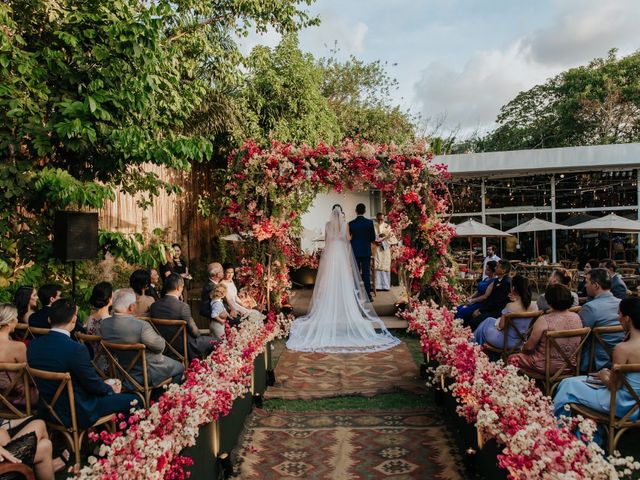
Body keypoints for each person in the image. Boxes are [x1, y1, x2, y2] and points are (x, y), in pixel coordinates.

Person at [286, 205, 399, 353]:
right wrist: (348, 240)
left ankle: (330, 300)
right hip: (343, 253)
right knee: (346, 278)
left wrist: (328, 253)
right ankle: (351, 299)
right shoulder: (346, 224)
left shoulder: (328, 225)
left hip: (332, 253)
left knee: (330, 278)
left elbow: (327, 242)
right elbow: (348, 239)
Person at [27, 298, 138, 430]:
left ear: (49, 320)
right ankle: (115, 442)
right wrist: (110, 389)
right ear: (74, 320)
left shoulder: (33, 345)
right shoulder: (75, 349)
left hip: (47, 410)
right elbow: (91, 384)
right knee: (135, 400)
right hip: (77, 412)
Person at [553, 297, 640, 445]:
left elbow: (614, 386)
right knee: (573, 381)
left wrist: (603, 374)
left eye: (619, 314)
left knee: (567, 385)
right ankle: (579, 433)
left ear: (628, 319)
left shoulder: (623, 349)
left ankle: (558, 432)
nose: (617, 317)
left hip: (621, 404)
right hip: (635, 403)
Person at [101, 289, 184, 386]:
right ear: (131, 307)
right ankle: (161, 397)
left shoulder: (104, 324)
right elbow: (160, 347)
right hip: (144, 373)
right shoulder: (141, 326)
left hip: (120, 372)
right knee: (180, 367)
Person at [510, 284, 583, 374]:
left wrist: (521, 349)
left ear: (549, 301)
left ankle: (522, 386)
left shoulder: (544, 320)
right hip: (570, 366)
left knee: (512, 358)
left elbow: (528, 348)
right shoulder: (577, 317)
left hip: (545, 366)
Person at [149, 274, 216, 360]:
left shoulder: (154, 305)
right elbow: (195, 332)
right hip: (184, 346)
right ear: (179, 287)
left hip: (163, 346)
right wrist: (201, 337)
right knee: (217, 341)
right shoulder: (182, 306)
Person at [474, 274, 538, 349]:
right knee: (489, 320)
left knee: (484, 326)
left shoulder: (510, 306)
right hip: (521, 341)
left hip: (506, 341)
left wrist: (497, 324)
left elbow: (501, 326)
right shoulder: (535, 306)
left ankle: (475, 347)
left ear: (513, 288)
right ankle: (476, 347)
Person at [579, 268, 624, 373]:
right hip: (623, 358)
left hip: (596, 362)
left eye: (587, 282)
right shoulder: (622, 303)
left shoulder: (590, 308)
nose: (585, 286)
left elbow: (579, 336)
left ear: (596, 286)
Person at [0, 304, 37, 408]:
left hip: (3, 397)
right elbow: (31, 377)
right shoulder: (17, 347)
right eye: (15, 317)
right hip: (20, 398)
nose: (17, 320)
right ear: (8, 322)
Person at [465, 259, 512, 331]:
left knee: (474, 321)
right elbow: (490, 298)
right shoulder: (497, 280)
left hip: (498, 311)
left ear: (503, 270)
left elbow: (497, 301)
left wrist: (481, 310)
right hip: (490, 308)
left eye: (497, 267)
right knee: (469, 315)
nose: (495, 268)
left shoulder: (506, 282)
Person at [348, 203, 377, 302]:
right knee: (366, 274)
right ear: (364, 211)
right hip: (366, 251)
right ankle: (368, 295)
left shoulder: (351, 223)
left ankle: (356, 295)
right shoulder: (369, 223)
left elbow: (349, 239)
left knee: (355, 274)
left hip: (355, 252)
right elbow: (373, 238)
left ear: (356, 211)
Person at [85, 282, 113, 374]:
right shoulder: (110, 321)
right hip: (111, 366)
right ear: (109, 299)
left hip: (93, 363)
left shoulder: (89, 318)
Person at [373, 212, 394, 291]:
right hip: (376, 248)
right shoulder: (373, 226)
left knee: (384, 266)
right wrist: (376, 240)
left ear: (384, 219)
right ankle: (377, 285)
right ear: (376, 218)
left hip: (384, 249)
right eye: (378, 219)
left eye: (381, 219)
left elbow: (391, 238)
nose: (380, 221)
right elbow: (371, 237)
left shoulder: (388, 227)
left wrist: (383, 240)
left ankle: (385, 286)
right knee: (376, 266)